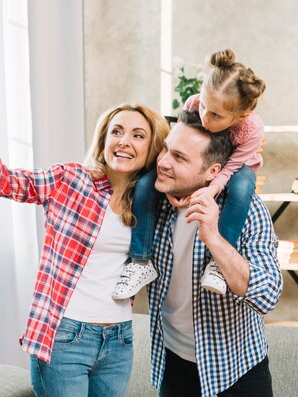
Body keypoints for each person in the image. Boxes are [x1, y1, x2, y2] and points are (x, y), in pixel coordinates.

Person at [0, 81, 169, 397]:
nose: (124, 141)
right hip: (65, 338)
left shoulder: (151, 202)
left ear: (152, 147)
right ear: (103, 139)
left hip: (119, 339)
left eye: (138, 135)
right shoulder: (71, 180)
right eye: (116, 131)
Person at [147, 109, 283, 397]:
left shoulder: (246, 209)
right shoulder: (154, 202)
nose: (164, 161)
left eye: (179, 158)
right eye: (166, 149)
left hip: (237, 359)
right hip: (175, 357)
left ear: (213, 172)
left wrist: (214, 238)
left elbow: (268, 294)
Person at [112, 48, 266, 299]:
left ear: (242, 115)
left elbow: (229, 167)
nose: (204, 116)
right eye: (204, 106)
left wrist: (208, 190)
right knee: (144, 184)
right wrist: (178, 184)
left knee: (242, 188)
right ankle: (141, 261)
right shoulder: (194, 103)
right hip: (204, 168)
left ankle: (218, 262)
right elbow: (182, 140)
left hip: (236, 167)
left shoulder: (251, 128)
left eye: (215, 114)